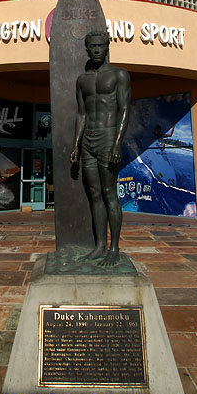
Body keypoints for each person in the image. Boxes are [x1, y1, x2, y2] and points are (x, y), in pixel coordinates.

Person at [70, 30, 131, 266]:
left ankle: (114, 248)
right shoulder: (82, 80)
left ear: (107, 47)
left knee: (109, 193)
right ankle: (99, 246)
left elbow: (124, 110)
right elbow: (81, 113)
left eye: (100, 45)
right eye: (92, 46)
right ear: (87, 49)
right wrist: (76, 143)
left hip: (107, 138)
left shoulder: (119, 75)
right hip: (88, 141)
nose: (96, 49)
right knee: (94, 195)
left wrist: (117, 142)